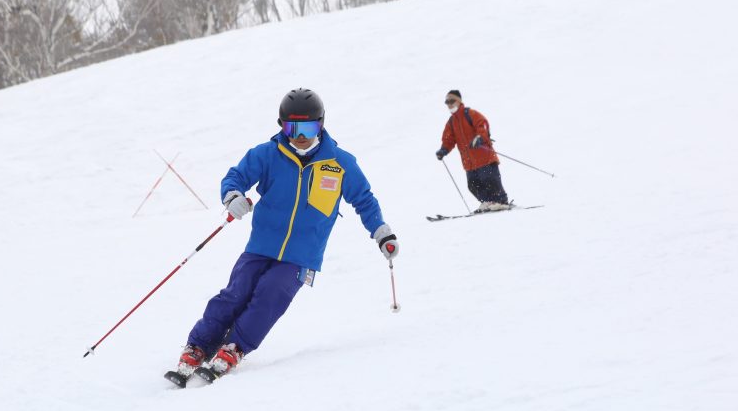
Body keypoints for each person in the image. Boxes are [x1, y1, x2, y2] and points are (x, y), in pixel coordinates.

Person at [175, 88, 399, 381]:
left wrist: (381, 233)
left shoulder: (340, 163)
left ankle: (234, 347)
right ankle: (199, 345)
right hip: (260, 246)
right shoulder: (267, 155)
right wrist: (232, 196)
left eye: (308, 127)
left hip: (301, 255)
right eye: (292, 127)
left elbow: (364, 199)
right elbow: (235, 177)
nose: (300, 135)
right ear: (282, 125)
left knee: (271, 295)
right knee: (236, 292)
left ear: (321, 124)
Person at [435, 89, 510, 212]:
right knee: (473, 185)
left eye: (452, 101)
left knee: (490, 179)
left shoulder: (470, 114)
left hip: (484, 157)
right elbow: (448, 139)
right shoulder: (451, 122)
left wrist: (480, 137)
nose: (449, 104)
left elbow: (483, 125)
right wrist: (443, 150)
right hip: (469, 163)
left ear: (459, 101)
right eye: (447, 102)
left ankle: (501, 201)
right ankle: (487, 202)